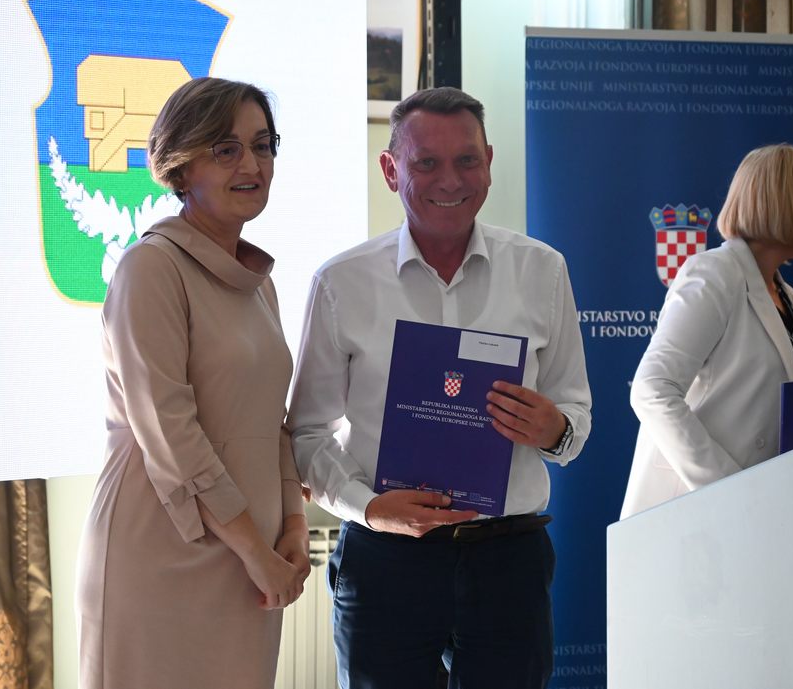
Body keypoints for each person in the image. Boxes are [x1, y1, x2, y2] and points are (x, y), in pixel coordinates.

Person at [288, 87, 592, 689]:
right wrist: (369, 509)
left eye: (467, 160)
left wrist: (555, 429)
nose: (450, 180)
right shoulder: (342, 283)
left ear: (489, 163)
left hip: (508, 561)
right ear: (390, 169)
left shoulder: (542, 270)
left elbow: (575, 411)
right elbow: (306, 432)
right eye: (426, 162)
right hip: (386, 561)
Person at [75, 77, 309, 689]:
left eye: (262, 145)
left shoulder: (259, 283)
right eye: (226, 149)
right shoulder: (149, 268)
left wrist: (291, 525)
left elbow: (273, 423)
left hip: (253, 559)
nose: (251, 165)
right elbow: (168, 432)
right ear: (181, 168)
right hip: (162, 554)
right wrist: (254, 551)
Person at [620, 143, 793, 519]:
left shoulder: (789, 297)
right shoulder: (714, 274)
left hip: (769, 506)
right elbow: (652, 390)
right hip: (702, 510)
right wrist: (731, 489)